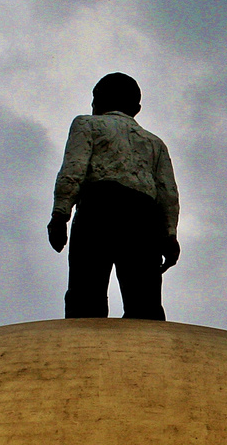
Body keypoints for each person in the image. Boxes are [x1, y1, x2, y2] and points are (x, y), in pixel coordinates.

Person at [47, 73, 181, 319]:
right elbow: (168, 193)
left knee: (86, 295)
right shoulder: (155, 143)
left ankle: (84, 349)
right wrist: (169, 235)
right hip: (143, 217)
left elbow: (73, 170)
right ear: (136, 109)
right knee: (144, 302)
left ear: (96, 102)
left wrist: (60, 214)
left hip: (99, 208)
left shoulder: (87, 124)